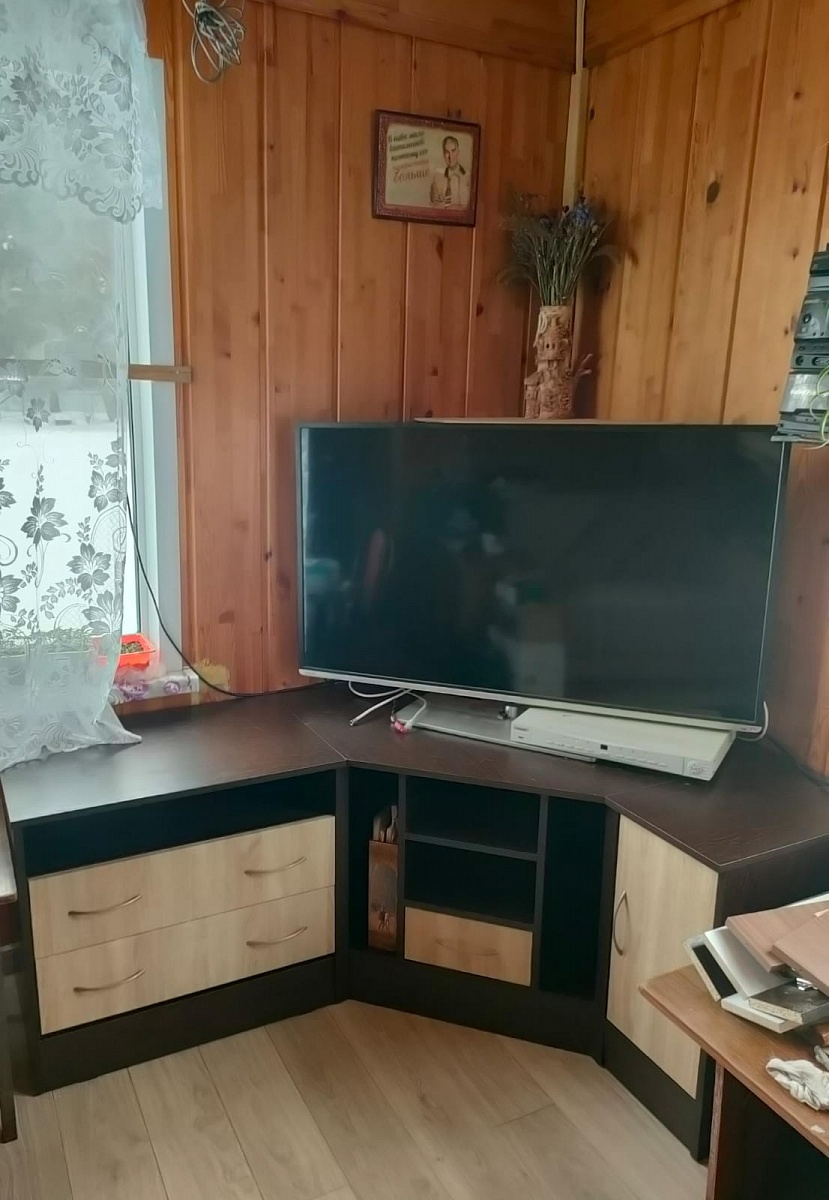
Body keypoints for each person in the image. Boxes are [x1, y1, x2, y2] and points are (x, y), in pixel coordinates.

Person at [430, 136, 470, 209]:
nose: (450, 156)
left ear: (458, 152)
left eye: (453, 151)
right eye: (447, 152)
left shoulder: (468, 177)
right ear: (443, 154)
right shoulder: (437, 179)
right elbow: (434, 206)